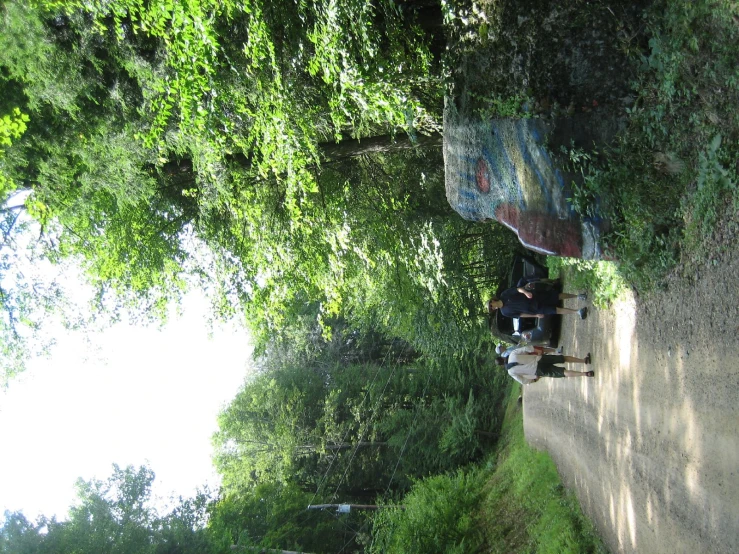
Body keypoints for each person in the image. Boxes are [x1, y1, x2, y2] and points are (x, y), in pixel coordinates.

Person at [487, 276, 589, 320]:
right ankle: (578, 312)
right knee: (556, 310)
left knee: (557, 296)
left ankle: (578, 296)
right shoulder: (505, 312)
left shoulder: (504, 295)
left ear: (493, 301)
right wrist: (535, 315)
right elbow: (521, 315)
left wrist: (526, 292)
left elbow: (518, 289)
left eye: (491, 305)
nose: (493, 308)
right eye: (491, 309)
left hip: (534, 297)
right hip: (535, 309)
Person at [496, 345, 594, 385]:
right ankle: (583, 360)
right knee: (562, 358)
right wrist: (537, 350)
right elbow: (526, 348)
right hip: (540, 359)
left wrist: (534, 379)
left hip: (538, 371)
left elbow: (522, 381)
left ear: (501, 365)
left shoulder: (510, 372)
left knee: (562, 373)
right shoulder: (512, 354)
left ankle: (585, 374)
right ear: (503, 358)